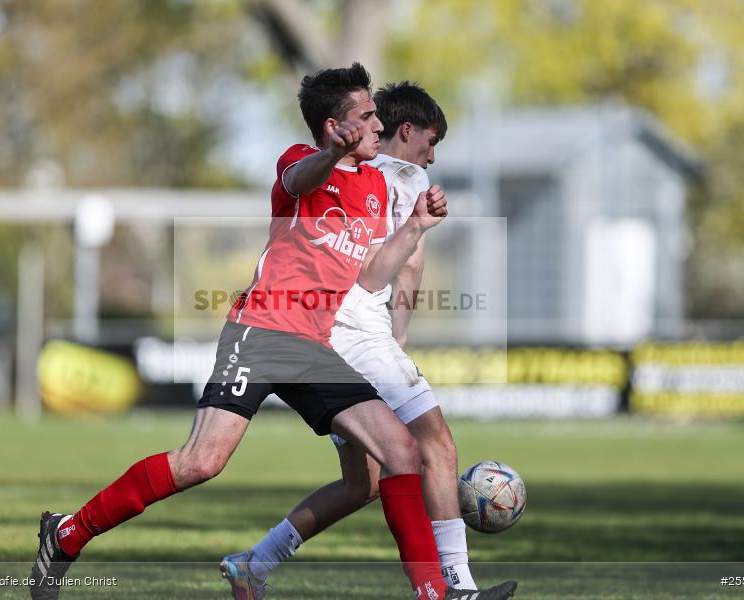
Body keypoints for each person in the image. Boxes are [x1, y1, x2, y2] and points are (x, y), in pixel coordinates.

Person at [29, 64, 516, 600]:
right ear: (336, 127)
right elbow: (301, 178)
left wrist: (416, 227)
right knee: (200, 463)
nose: (379, 124)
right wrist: (330, 154)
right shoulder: (299, 162)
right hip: (261, 333)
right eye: (367, 116)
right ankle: (68, 534)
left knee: (400, 452)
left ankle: (435, 594)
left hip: (315, 347)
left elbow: (371, 276)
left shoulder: (376, 185)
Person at [221, 82, 489, 598]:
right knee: (436, 444)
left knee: (362, 483)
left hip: (317, 329)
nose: (432, 156)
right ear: (406, 131)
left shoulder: (348, 167)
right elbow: (408, 266)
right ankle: (458, 583)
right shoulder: (403, 176)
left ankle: (255, 562)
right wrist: (398, 337)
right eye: (431, 141)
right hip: (358, 331)